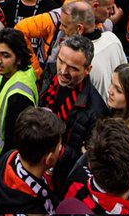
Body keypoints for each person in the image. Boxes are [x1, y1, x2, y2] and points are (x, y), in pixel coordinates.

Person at [39, 34, 110, 192]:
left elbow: (87, 161)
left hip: (64, 181)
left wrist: (59, 151)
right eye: (61, 61)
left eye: (73, 68)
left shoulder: (96, 112)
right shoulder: (50, 75)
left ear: (88, 69)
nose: (63, 71)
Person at [0, 29, 40, 177]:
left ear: (19, 59)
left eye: (5, 55)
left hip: (4, 170)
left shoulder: (18, 97)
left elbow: (13, 144)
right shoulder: (9, 73)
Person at [0, 107, 66, 215]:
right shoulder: (33, 211)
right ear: (49, 159)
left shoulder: (9, 157)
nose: (61, 149)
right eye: (59, 146)